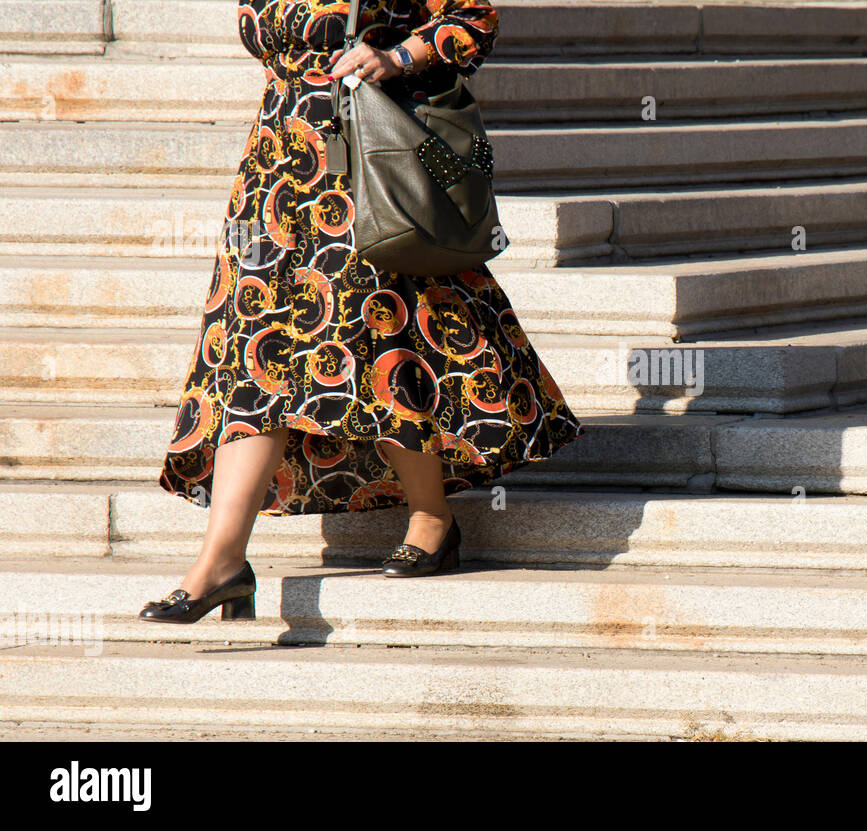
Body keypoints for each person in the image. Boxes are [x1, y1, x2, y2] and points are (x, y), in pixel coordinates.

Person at [143, 0, 583, 624]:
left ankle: (432, 518)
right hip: (275, 176)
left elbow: (473, 20)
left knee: (375, 344)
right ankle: (223, 560)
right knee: (253, 358)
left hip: (365, 168)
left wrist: (396, 56)